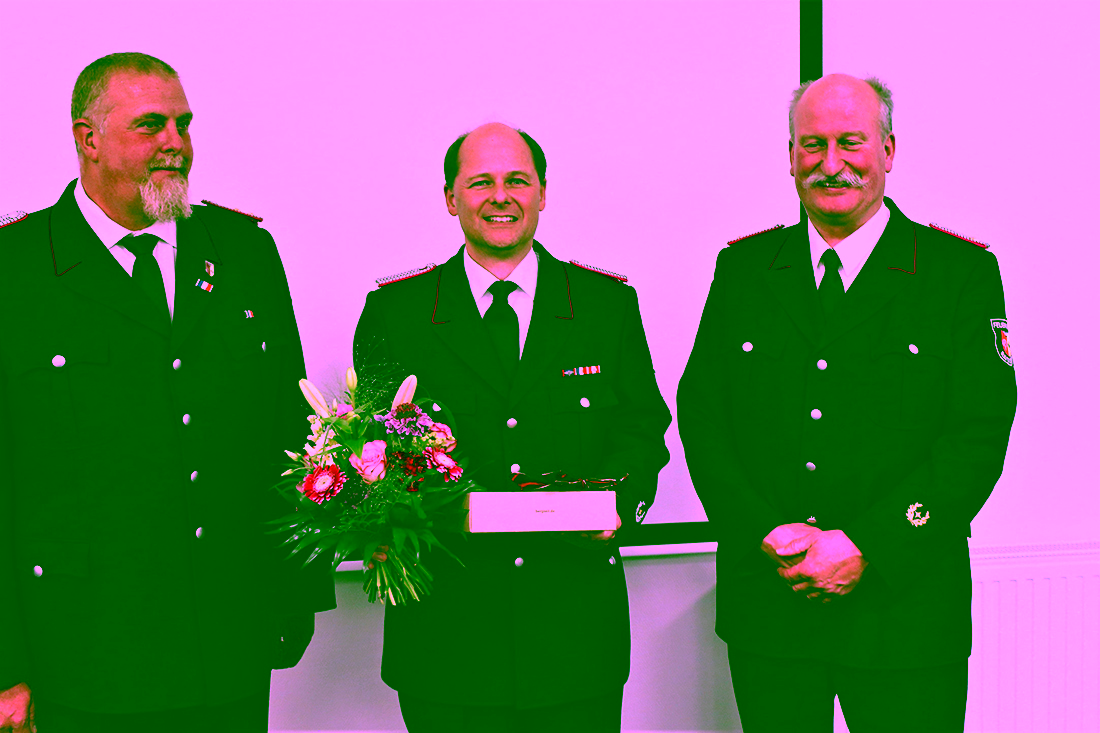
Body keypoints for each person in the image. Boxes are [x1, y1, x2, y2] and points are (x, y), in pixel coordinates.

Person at [0, 53, 334, 733]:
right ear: (88, 139)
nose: (175, 143)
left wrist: (297, 593)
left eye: (184, 124)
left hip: (228, 642)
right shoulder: (18, 269)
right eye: (151, 125)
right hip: (84, 652)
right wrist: (7, 661)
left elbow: (290, 433)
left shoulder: (243, 253)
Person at [677, 74, 1016, 732]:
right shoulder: (744, 270)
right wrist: (763, 530)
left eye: (851, 142)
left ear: (887, 150)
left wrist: (869, 545)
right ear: (791, 157)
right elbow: (704, 415)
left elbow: (977, 435)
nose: (831, 163)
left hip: (906, 610)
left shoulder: (958, 274)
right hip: (772, 603)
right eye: (813, 144)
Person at [353, 122, 671, 732]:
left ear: (542, 193)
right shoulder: (397, 313)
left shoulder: (604, 305)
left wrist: (614, 504)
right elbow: (370, 450)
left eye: (517, 181)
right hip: (447, 637)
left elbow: (641, 427)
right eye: (480, 182)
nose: (500, 196)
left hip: (573, 633)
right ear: (451, 198)